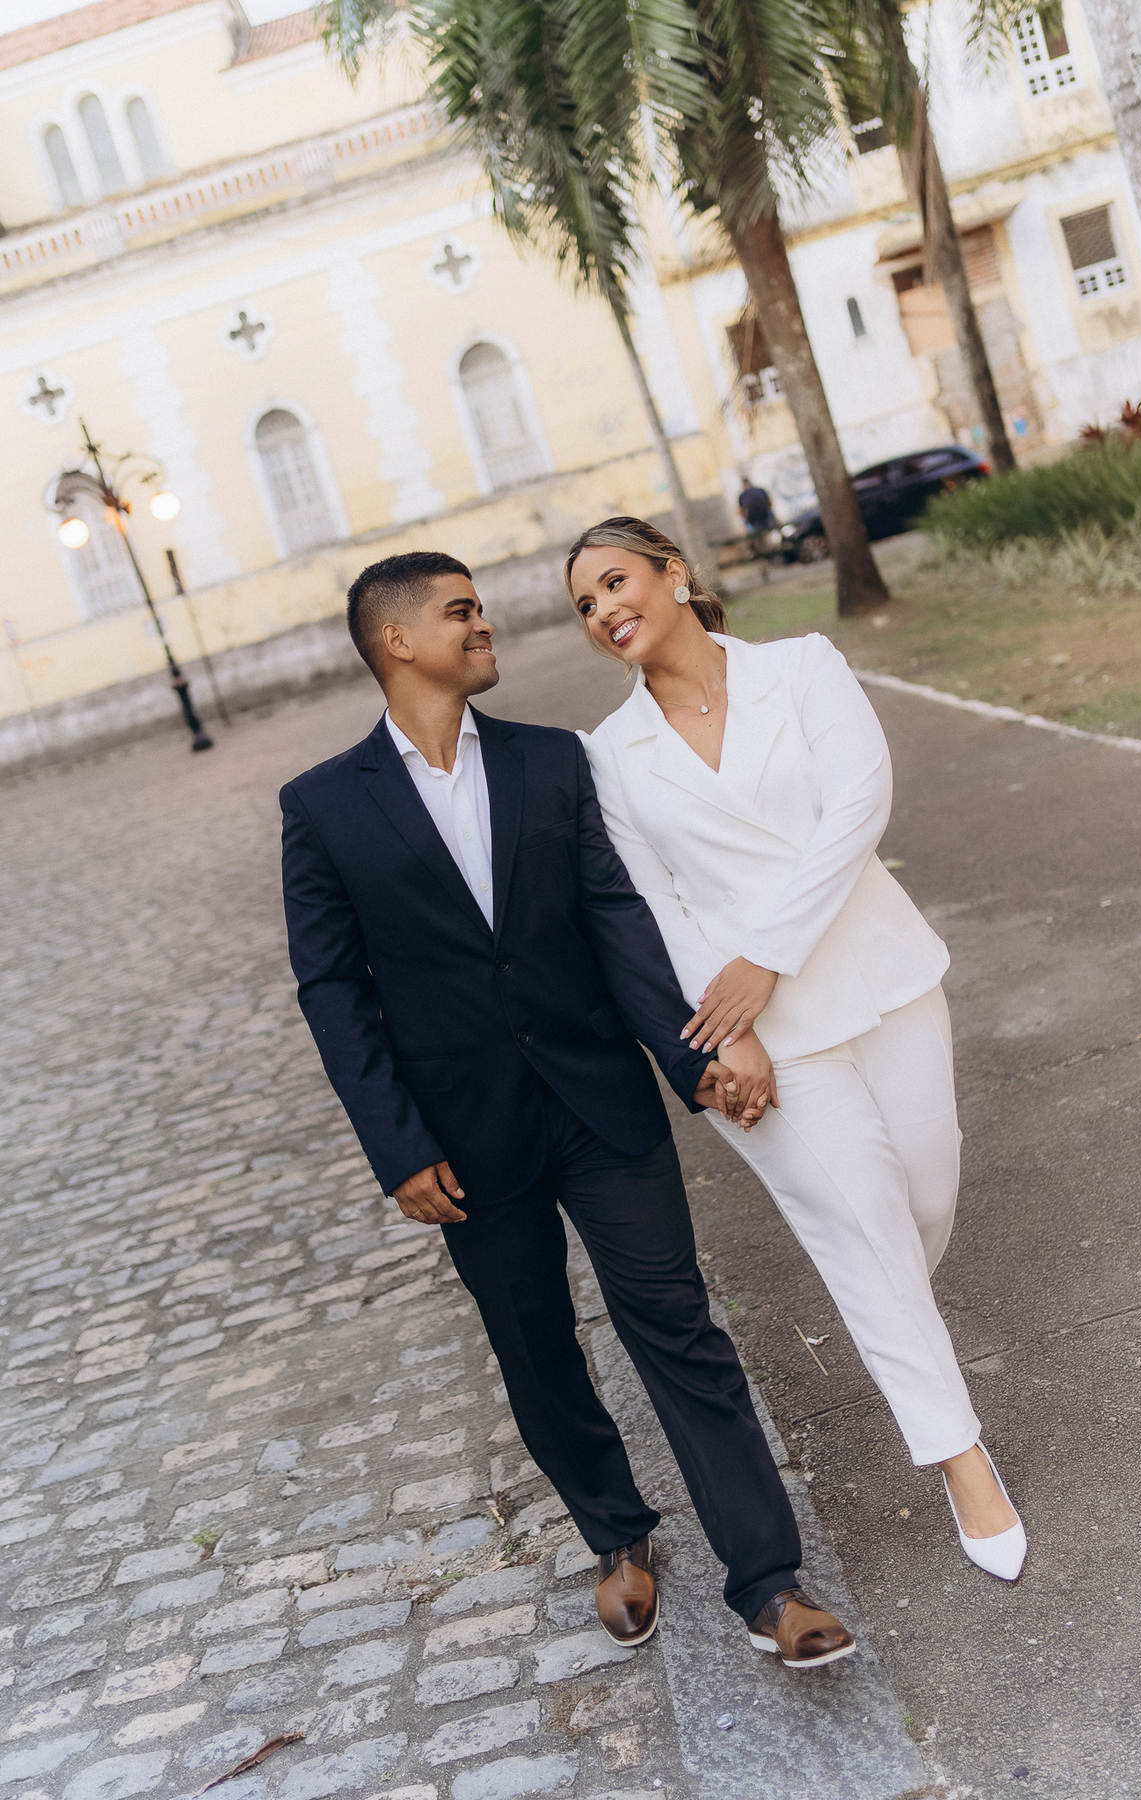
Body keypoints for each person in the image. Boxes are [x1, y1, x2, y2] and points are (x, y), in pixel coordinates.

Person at [279, 549, 857, 1670]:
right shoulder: (322, 809)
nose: (484, 625)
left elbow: (616, 922)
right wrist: (395, 1145)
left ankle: (770, 1583)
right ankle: (615, 1534)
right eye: (462, 613)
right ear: (398, 641)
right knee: (536, 1346)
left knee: (677, 1328)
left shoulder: (554, 764)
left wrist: (693, 1059)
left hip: (599, 1104)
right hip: (462, 1139)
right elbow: (332, 992)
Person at [569, 517, 1027, 1584]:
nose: (604, 611)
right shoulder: (611, 757)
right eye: (585, 605)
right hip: (760, 1037)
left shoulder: (802, 670)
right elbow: (660, 908)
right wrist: (729, 1039)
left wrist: (767, 956)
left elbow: (857, 805)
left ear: (674, 574)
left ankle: (908, 1339)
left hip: (881, 978)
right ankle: (963, 1462)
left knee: (919, 1207)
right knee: (862, 1231)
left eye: (616, 582)